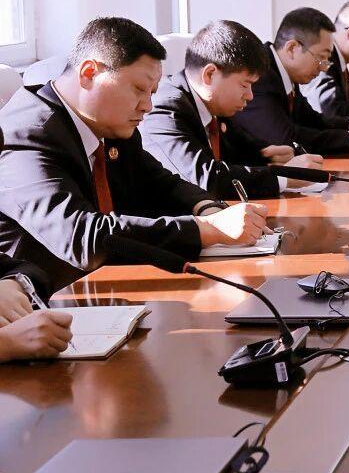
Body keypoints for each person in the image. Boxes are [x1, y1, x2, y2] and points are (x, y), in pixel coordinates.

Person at [0, 18, 269, 292]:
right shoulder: (26, 134)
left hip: (112, 291)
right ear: (89, 73)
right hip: (48, 303)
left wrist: (207, 207)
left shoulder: (109, 125)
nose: (148, 106)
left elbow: (159, 183)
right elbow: (83, 237)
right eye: (139, 89)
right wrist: (206, 229)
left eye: (152, 93)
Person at [141, 20, 324, 199]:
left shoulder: (214, 106)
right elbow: (206, 179)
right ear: (210, 74)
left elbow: (242, 148)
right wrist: (284, 176)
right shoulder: (166, 109)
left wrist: (270, 155)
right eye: (245, 85)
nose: (250, 96)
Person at [231, 7, 349, 156]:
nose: (324, 68)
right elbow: (285, 139)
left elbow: (312, 119)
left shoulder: (284, 71)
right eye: (321, 58)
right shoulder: (261, 74)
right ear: (292, 48)